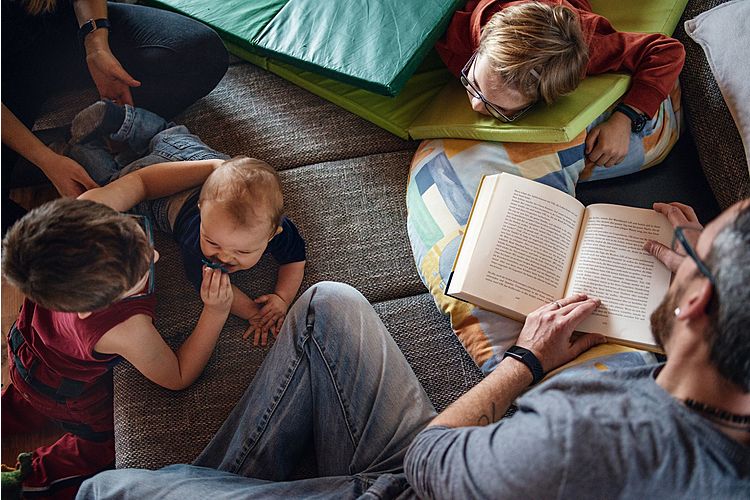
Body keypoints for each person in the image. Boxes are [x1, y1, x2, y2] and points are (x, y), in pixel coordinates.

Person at [74, 198, 750, 498]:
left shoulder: (592, 437)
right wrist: (695, 265)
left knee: (111, 491)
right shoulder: (721, 405)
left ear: (696, 304)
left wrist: (529, 358)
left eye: (689, 254)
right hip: (463, 476)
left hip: (422, 481)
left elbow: (430, 458)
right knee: (324, 306)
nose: (678, 253)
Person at [1, 196, 233, 499]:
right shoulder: (125, 328)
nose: (156, 254)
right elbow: (178, 375)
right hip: (65, 395)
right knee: (100, 449)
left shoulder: (86, 244)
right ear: (94, 306)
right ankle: (26, 483)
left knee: (22, 403)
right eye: (141, 271)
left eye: (138, 234)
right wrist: (215, 312)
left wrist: (214, 169)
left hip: (28, 350)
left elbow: (145, 181)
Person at [68, 99, 307, 344]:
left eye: (242, 250)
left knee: (165, 134)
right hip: (168, 192)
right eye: (211, 241)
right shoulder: (196, 244)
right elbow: (216, 291)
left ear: (272, 234)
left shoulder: (279, 229)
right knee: (114, 182)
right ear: (201, 210)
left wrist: (282, 297)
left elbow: (295, 260)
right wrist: (253, 313)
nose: (223, 257)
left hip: (196, 157)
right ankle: (83, 149)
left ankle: (123, 120)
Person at [1, 0, 229, 233]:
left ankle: (86, 139)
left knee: (202, 52)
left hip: (57, 24)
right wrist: (44, 158)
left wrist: (96, 44)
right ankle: (51, 161)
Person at [435, 0, 685, 169]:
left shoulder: (587, 46)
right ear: (481, 46)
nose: (476, 104)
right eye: (473, 80)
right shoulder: (460, 28)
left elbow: (666, 51)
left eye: (497, 108)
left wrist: (626, 117)